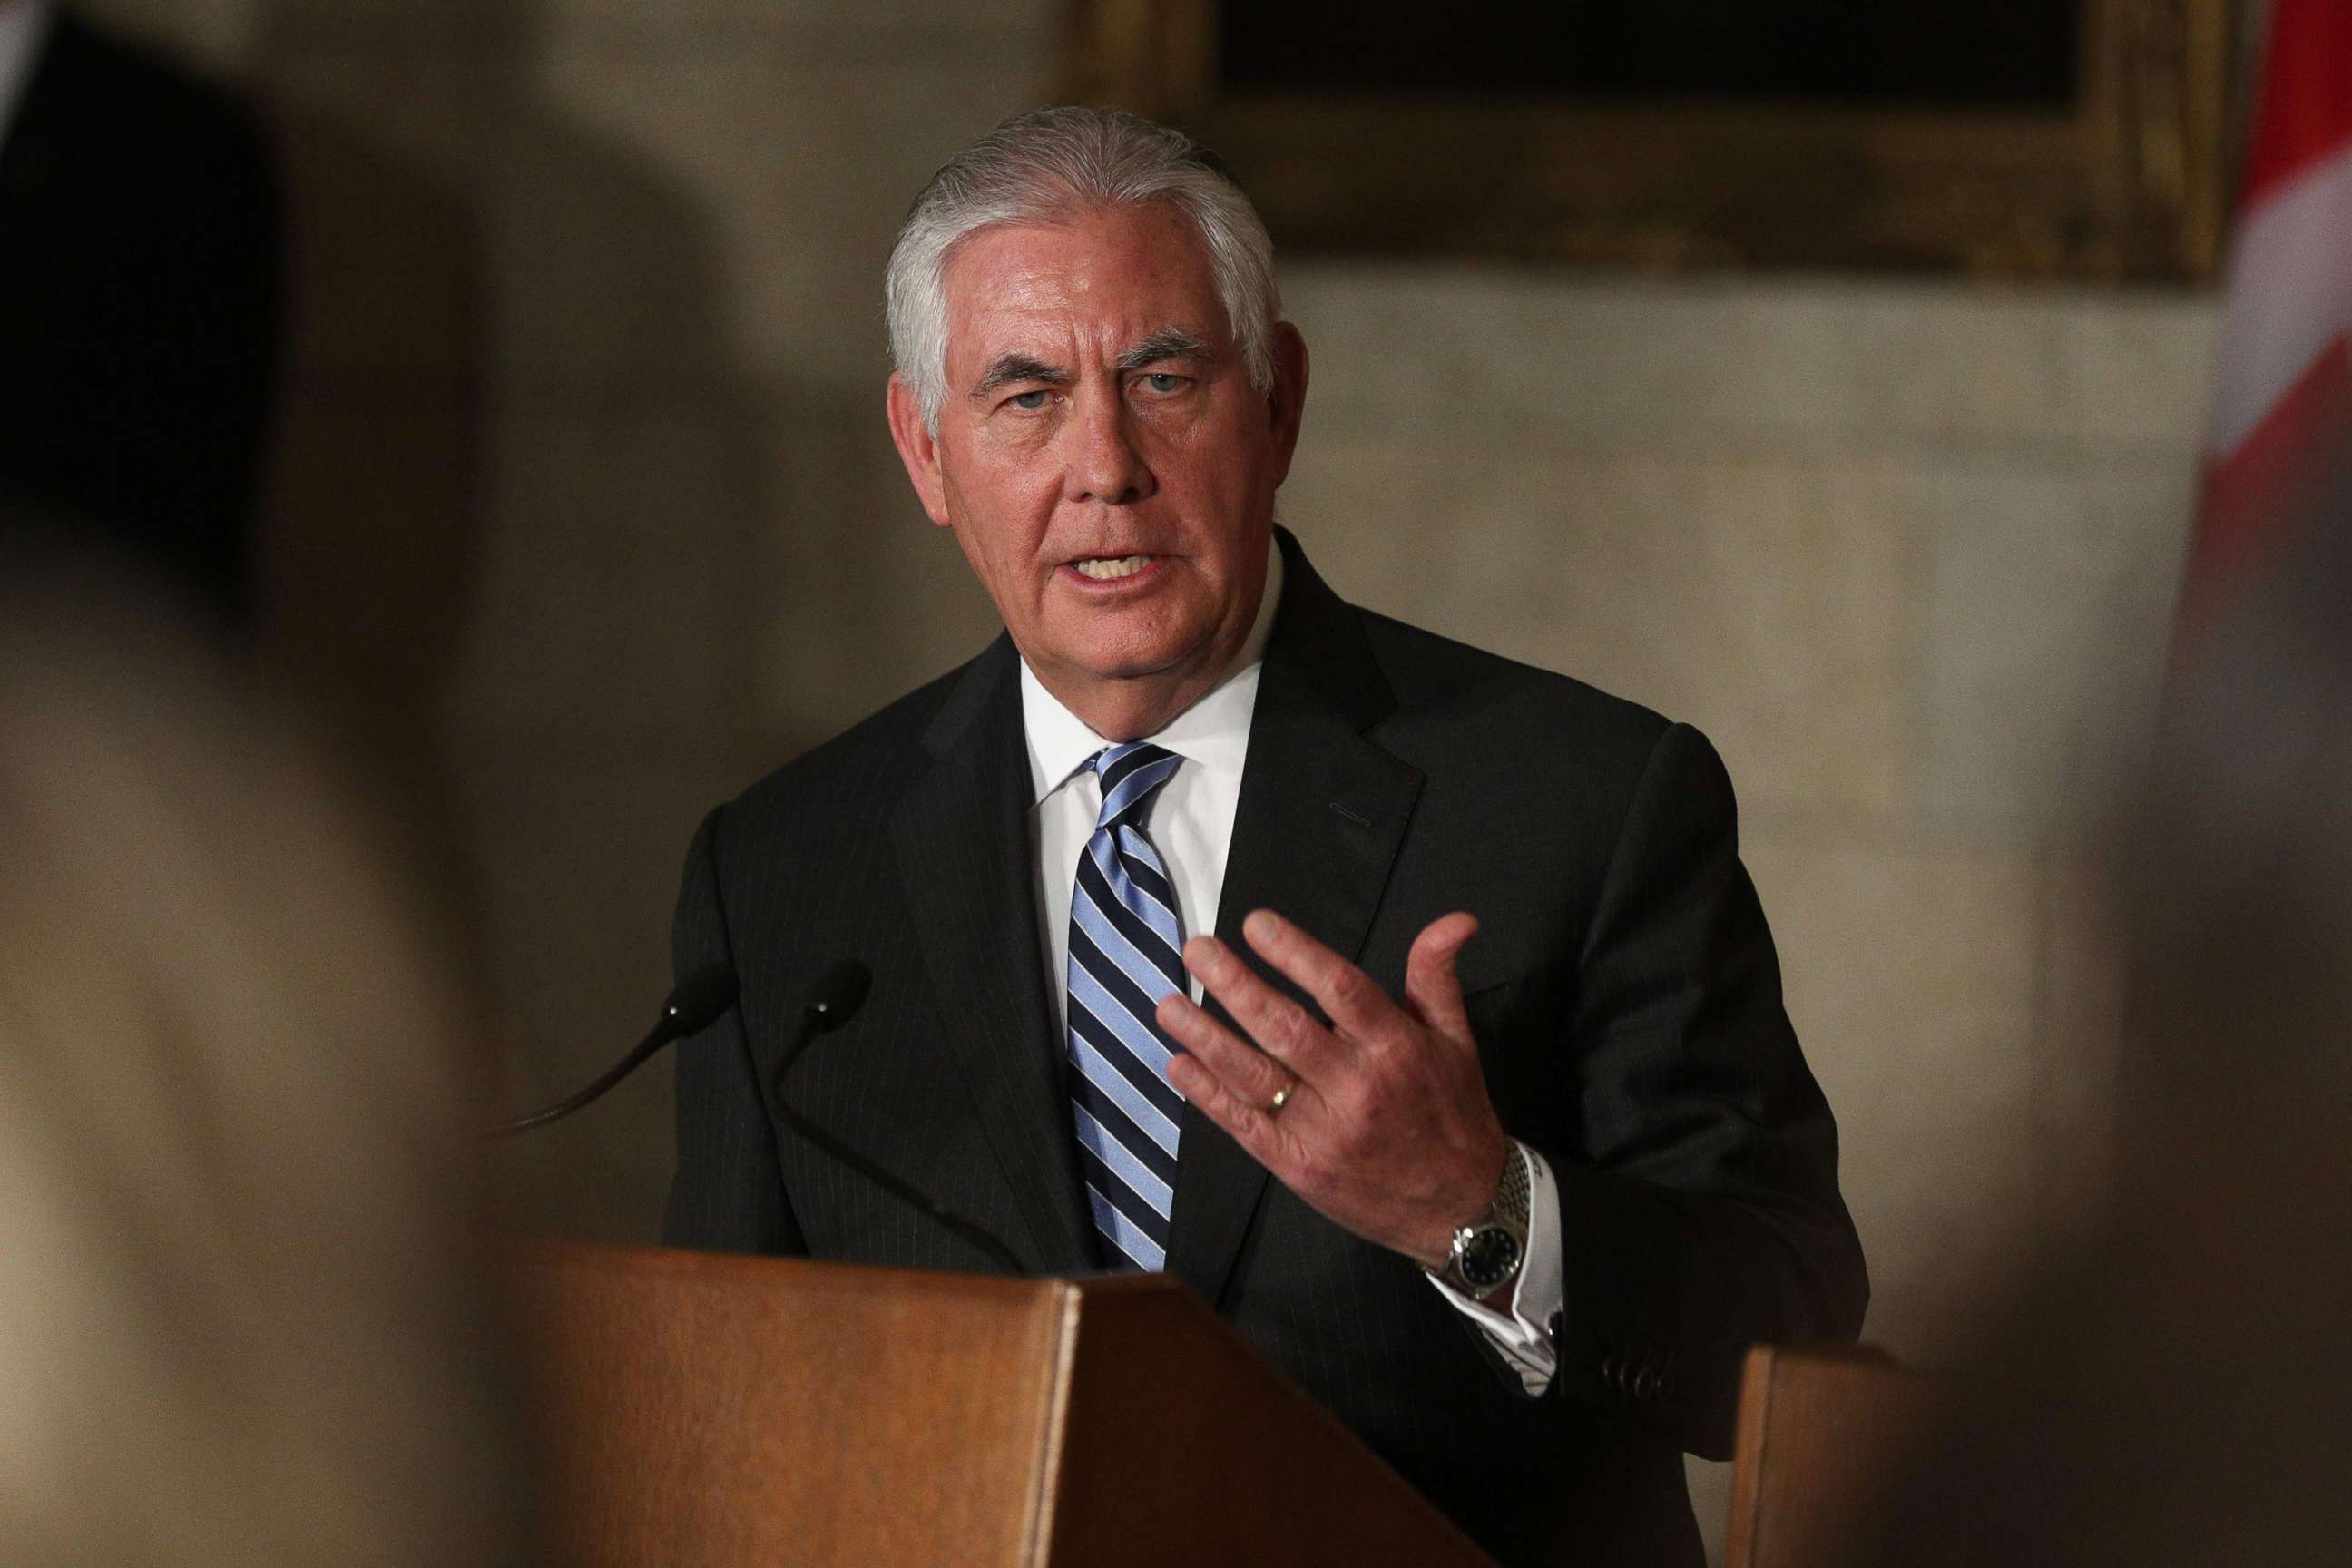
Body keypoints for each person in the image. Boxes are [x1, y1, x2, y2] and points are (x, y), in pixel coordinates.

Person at [663, 106, 1865, 1566]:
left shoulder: (1584, 804)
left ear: (1278, 400)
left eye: (1164, 377)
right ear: (927, 453)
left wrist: (1474, 1210)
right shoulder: (785, 872)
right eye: (1025, 396)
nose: (1104, 466)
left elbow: (1787, 1328)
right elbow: (718, 1402)